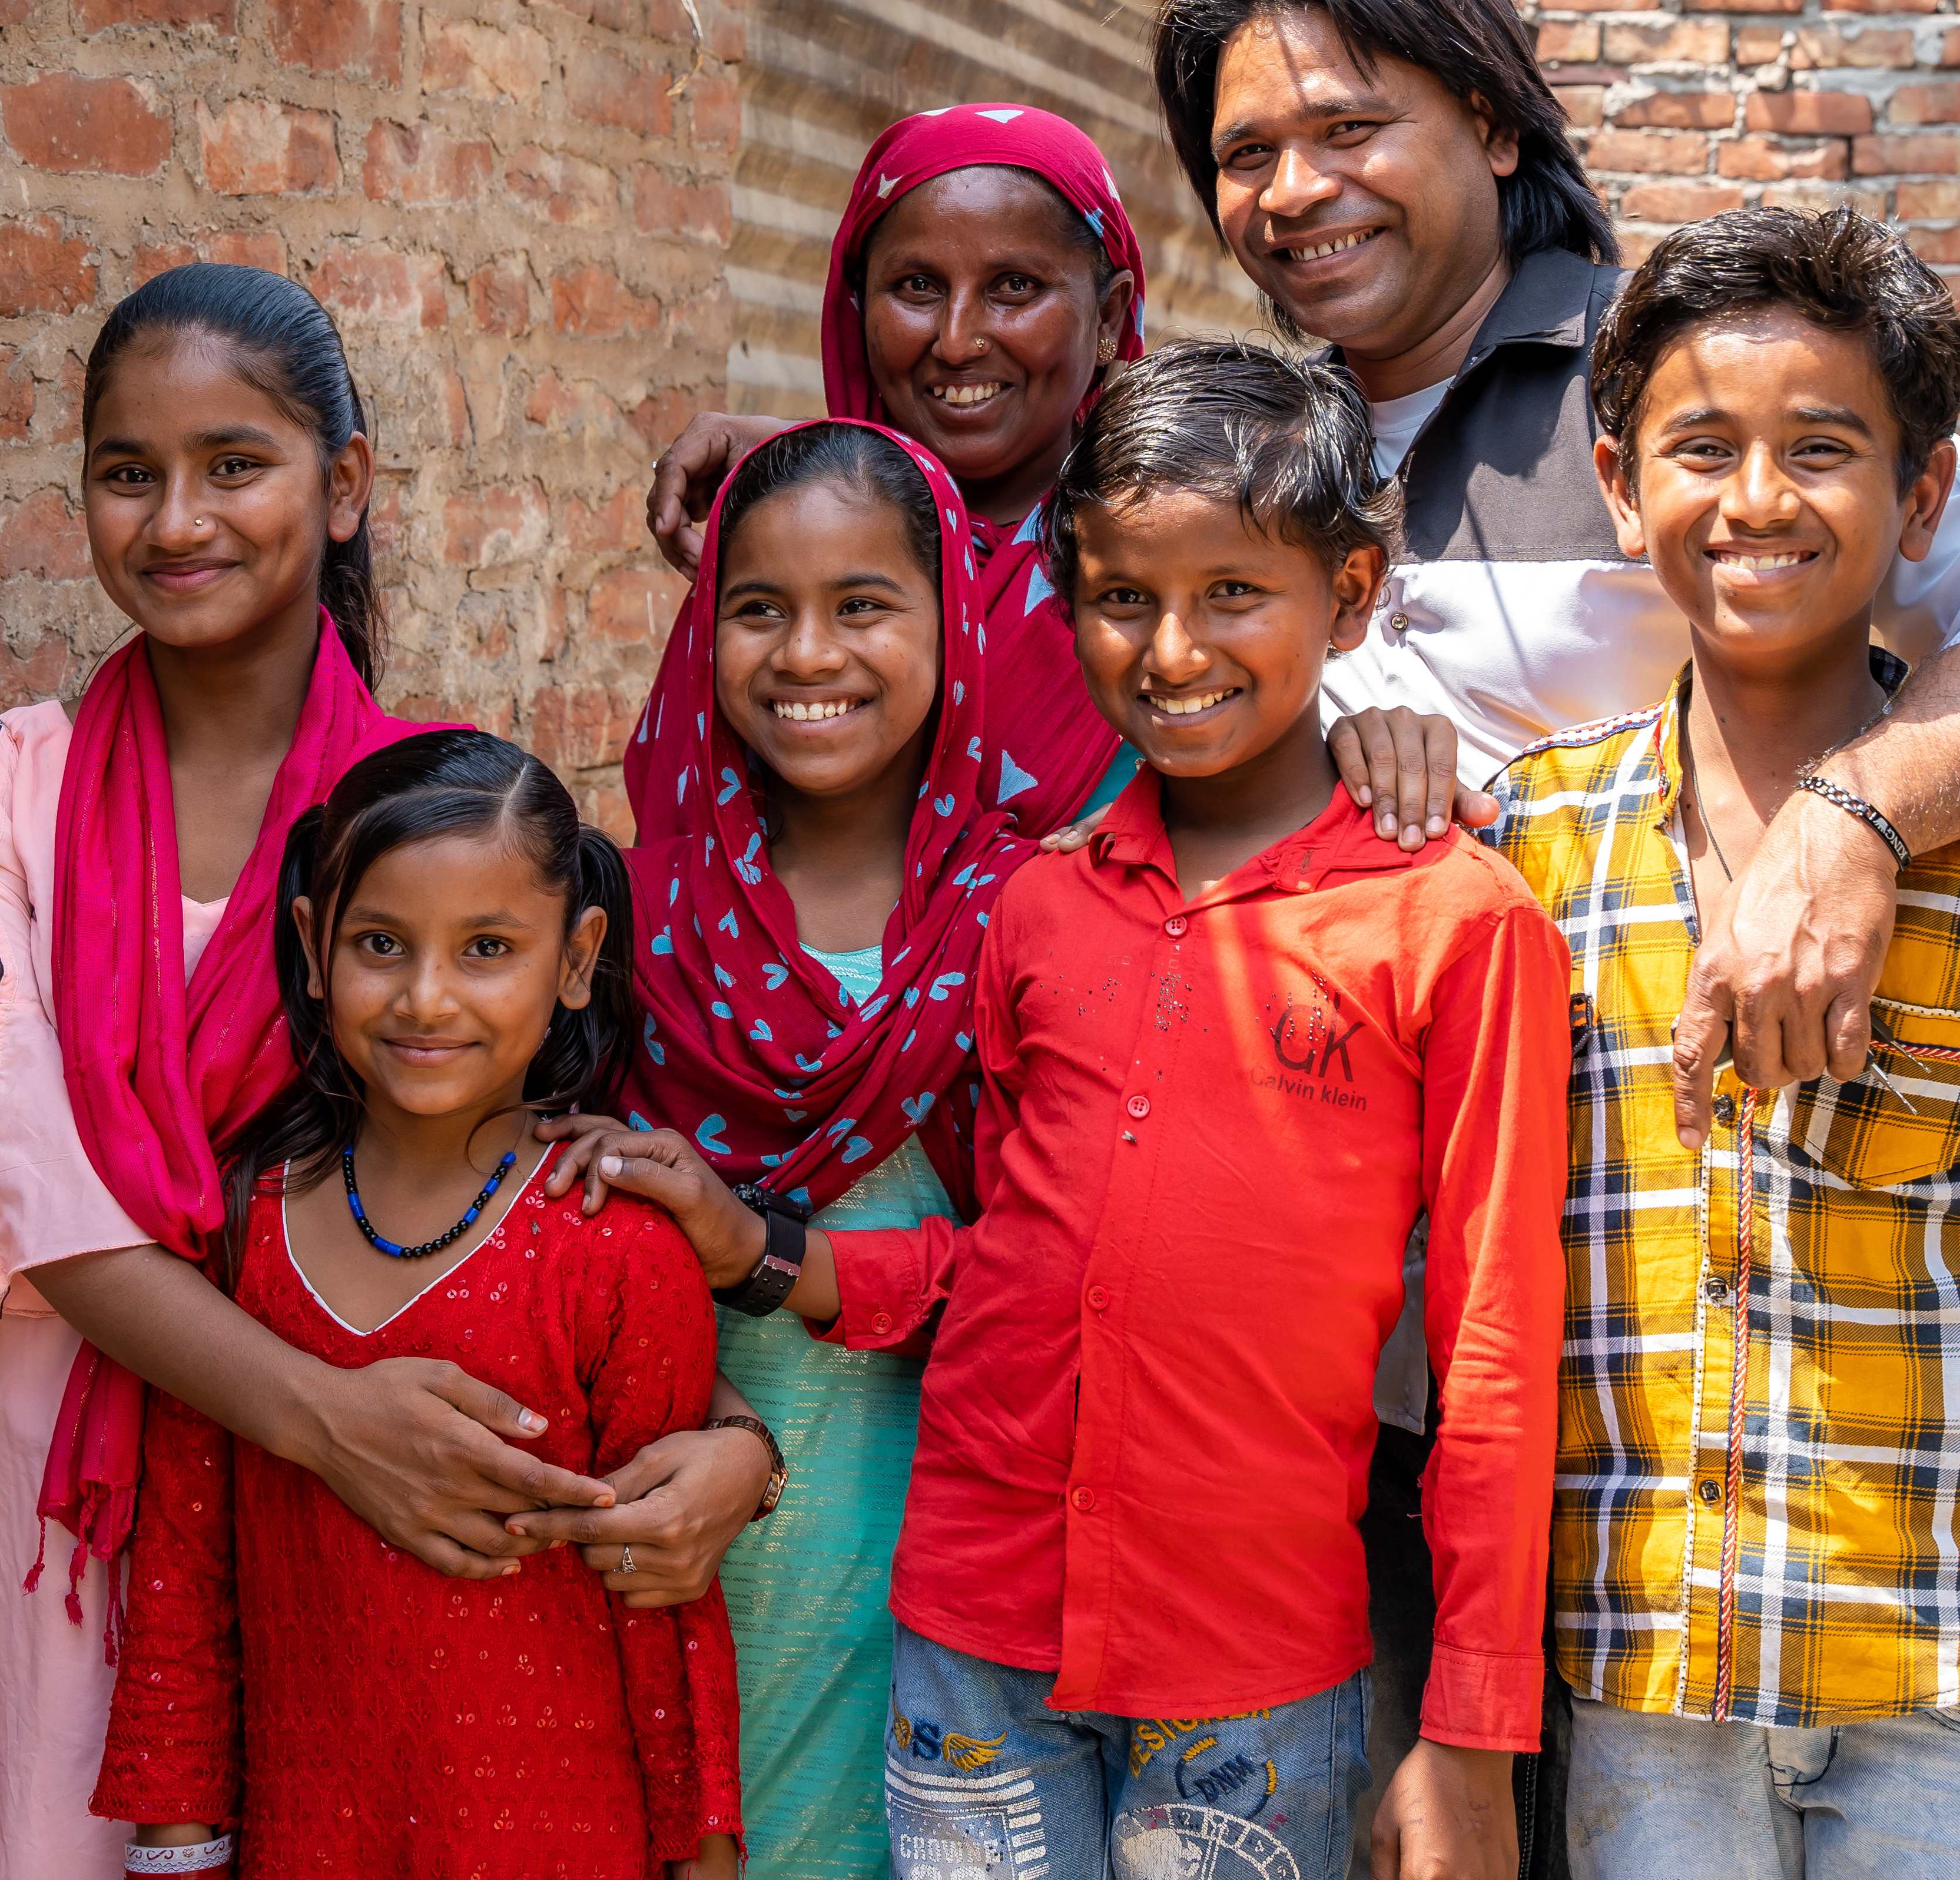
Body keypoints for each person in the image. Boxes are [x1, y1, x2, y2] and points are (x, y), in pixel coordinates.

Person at [1148, 0, 1960, 1849]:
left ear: (1494, 121)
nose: (1296, 189)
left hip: (1660, 1353)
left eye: (1351, 126)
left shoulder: (1670, 398)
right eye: (1245, 153)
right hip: (1353, 1360)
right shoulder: (1257, 435)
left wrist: (1845, 823)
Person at [556, 341, 1571, 1880]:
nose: (1170, 651)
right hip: (971, 1629)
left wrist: (1473, 1732)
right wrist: (761, 1247)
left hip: (1249, 1667)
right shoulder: (1031, 906)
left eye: (1234, 592)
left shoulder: (1452, 920)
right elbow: (1012, 1258)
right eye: (1119, 598)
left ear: (1352, 598)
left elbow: (1494, 1355)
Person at [0, 265, 775, 1878]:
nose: (177, 517)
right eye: (129, 472)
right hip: (47, 1514)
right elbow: (39, 1188)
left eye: (233, 463)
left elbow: (524, 1206)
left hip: (346, 1562)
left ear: (344, 488)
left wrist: (733, 1440)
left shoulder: (428, 835)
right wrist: (332, 1420)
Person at [1483, 208, 1960, 1880]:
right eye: (1700, 449)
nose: (1755, 500)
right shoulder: (1531, 851)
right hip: (1644, 1673)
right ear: (1618, 484)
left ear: (1923, 499)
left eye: (1821, 448)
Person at [95, 730, 743, 1879]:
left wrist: (701, 1861)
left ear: (575, 956)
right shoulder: (245, 1224)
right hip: (308, 1840)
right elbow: (184, 1584)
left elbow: (667, 1614)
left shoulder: (614, 1249)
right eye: (380, 944)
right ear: (312, 946)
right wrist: (176, 1854)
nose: (426, 996)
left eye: (487, 947)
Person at [540, 418, 1026, 1880]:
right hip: (677, 1523)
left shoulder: (1031, 910)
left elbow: (1046, 1275)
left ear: (953, 619)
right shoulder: (630, 916)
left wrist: (767, 1254)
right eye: (757, 608)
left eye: (862, 604)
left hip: (955, 1533)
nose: (806, 653)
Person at [641, 102, 1473, 845]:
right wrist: (791, 463)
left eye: (1015, 287)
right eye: (917, 286)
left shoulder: (1169, 552)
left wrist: (1375, 740)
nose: (959, 338)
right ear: (858, 309)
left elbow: (1278, 724)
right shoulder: (790, 543)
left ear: (1110, 315)